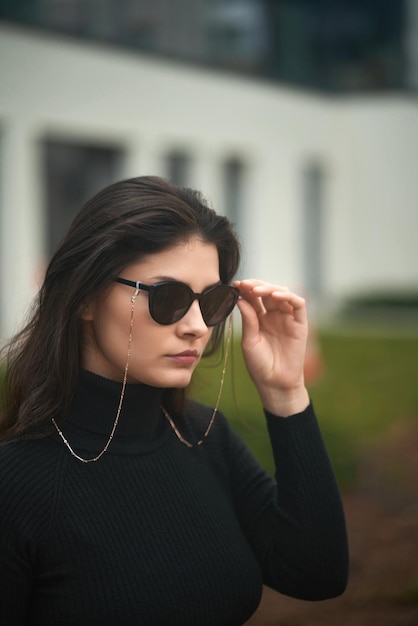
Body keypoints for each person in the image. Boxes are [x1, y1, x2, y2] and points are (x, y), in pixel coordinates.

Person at [0, 175, 348, 625]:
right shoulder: (15, 485)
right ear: (84, 296)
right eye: (168, 297)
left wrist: (286, 394)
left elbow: (316, 574)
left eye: (212, 301)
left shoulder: (203, 437)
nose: (197, 326)